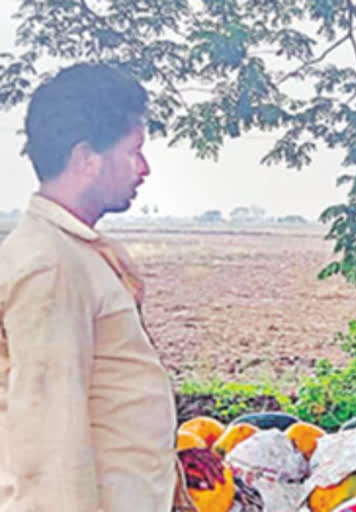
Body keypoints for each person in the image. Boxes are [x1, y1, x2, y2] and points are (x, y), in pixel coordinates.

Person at [0, 63, 222, 512]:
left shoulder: (77, 251)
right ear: (86, 160)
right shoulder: (51, 265)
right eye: (133, 151)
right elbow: (49, 444)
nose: (144, 168)